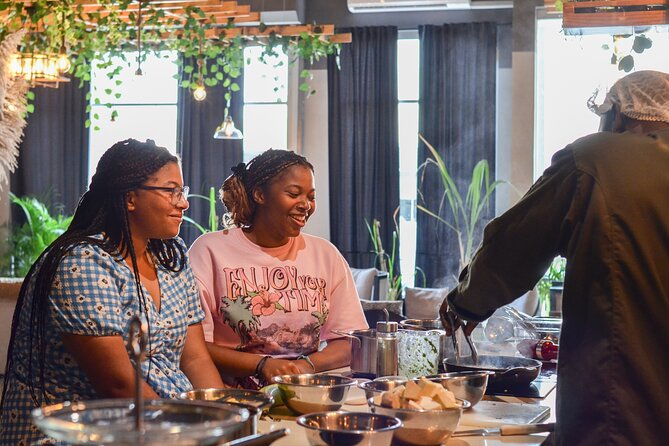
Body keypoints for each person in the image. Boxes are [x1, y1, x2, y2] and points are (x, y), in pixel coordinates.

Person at [439, 70, 669, 446]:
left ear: (620, 115)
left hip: (620, 408)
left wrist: (465, 303)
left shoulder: (595, 159)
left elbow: (513, 247)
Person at [0, 139, 224, 444]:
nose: (183, 203)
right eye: (171, 191)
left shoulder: (172, 257)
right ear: (130, 197)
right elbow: (118, 385)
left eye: (181, 192)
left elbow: (195, 359)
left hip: (165, 421)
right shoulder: (83, 263)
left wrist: (223, 420)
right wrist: (187, 433)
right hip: (81, 433)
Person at [189, 149, 368, 388]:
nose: (306, 205)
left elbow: (350, 341)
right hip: (231, 396)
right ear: (260, 194)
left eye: (311, 196)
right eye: (294, 194)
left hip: (303, 392)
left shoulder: (325, 255)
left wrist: (306, 366)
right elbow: (193, 347)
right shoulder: (209, 250)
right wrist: (261, 364)